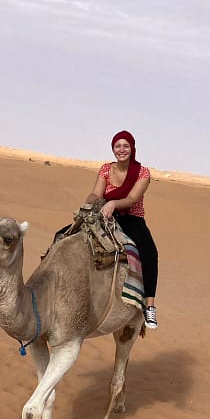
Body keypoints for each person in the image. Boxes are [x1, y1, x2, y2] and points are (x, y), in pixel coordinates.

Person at [85, 129, 160, 329]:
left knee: (150, 254)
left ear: (132, 148)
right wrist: (91, 202)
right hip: (105, 216)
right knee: (63, 235)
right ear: (113, 149)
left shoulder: (142, 173)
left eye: (126, 145)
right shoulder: (105, 169)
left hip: (131, 219)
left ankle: (149, 306)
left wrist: (113, 204)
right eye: (118, 146)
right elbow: (95, 193)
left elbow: (131, 199)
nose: (122, 149)